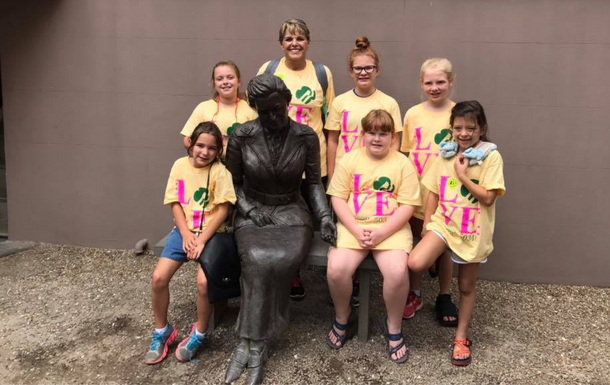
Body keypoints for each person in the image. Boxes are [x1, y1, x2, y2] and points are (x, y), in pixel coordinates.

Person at [224, 74, 336, 385]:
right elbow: (231, 183)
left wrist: (324, 216)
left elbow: (313, 183)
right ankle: (254, 346)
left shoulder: (306, 136)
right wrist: (248, 209)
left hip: (291, 212)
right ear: (255, 109)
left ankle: (250, 344)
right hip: (253, 211)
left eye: (277, 109)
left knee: (276, 260)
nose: (273, 117)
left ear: (287, 103)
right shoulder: (242, 136)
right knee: (256, 259)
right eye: (264, 111)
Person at [407, 101, 505, 366]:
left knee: (465, 286)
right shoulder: (446, 154)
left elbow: (488, 198)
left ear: (481, 128)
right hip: (444, 224)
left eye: (470, 128)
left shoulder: (491, 157)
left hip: (471, 231)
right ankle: (442, 258)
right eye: (458, 128)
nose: (464, 133)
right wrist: (428, 222)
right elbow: (434, 192)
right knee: (415, 261)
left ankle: (461, 338)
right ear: (451, 129)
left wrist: (463, 176)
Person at [326, 109, 420, 364]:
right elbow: (337, 198)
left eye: (383, 133)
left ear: (392, 137)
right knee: (336, 269)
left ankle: (394, 326)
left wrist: (381, 232)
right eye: (372, 133)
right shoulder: (349, 160)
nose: (377, 138)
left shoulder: (402, 163)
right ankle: (343, 316)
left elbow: (408, 205)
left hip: (390, 230)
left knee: (398, 272)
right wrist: (356, 230)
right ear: (362, 134)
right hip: (353, 227)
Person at [144, 122, 236, 364]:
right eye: (200, 145)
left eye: (212, 148)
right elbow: (174, 202)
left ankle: (200, 332)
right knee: (158, 278)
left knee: (204, 284)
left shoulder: (220, 172)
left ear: (218, 151)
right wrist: (186, 234)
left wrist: (202, 239)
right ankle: (162, 331)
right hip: (184, 231)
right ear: (191, 144)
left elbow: (224, 209)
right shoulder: (179, 166)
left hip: (212, 233)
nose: (204, 152)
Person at [257, 18, 336, 299]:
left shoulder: (321, 73)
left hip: (313, 160)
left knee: (320, 218)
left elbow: (329, 121)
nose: (294, 43)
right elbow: (259, 117)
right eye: (289, 39)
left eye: (300, 38)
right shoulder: (269, 71)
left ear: (308, 42)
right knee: (286, 219)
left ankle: (333, 278)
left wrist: (332, 166)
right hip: (280, 161)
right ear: (281, 43)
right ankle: (292, 274)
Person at [400, 58, 458, 325]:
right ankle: (415, 292)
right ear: (421, 84)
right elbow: (405, 154)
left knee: (443, 245)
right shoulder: (412, 114)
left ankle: (445, 294)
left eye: (440, 82)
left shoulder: (459, 114)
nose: (434, 87)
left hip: (447, 194)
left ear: (450, 82)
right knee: (415, 240)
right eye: (429, 82)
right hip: (418, 191)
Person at [326, 36, 402, 180]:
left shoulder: (389, 103)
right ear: (350, 71)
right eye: (358, 68)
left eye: (368, 68)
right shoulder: (339, 102)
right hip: (345, 173)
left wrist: (387, 170)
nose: (363, 72)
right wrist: (331, 176)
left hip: (377, 173)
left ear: (377, 70)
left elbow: (395, 142)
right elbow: (333, 141)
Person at [180, 61, 257, 157]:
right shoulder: (203, 108)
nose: (225, 82)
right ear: (214, 83)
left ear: (239, 82)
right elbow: (187, 139)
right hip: (210, 166)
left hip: (241, 168)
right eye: (219, 79)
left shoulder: (250, 110)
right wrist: (205, 151)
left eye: (230, 77)